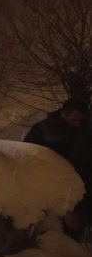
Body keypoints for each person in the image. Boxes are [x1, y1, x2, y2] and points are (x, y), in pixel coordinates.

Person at [24, 98, 91, 241]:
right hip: (50, 188)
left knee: (73, 233)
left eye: (81, 120)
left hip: (78, 189)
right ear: (64, 113)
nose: (77, 124)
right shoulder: (43, 130)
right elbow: (28, 159)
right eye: (74, 119)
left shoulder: (83, 131)